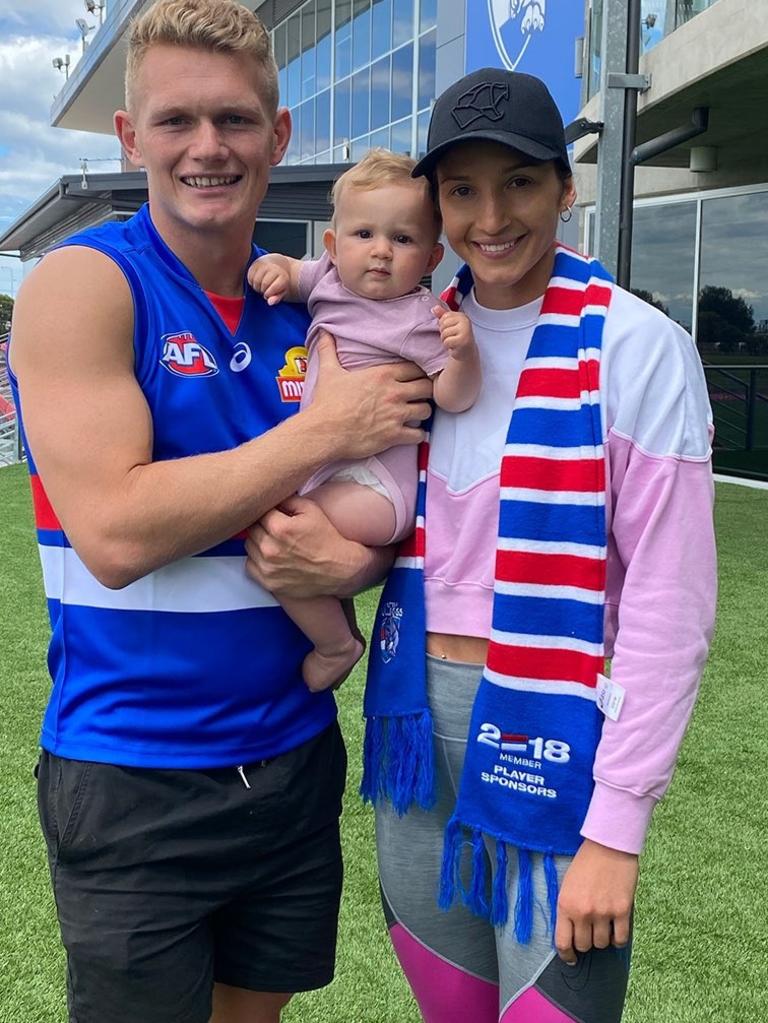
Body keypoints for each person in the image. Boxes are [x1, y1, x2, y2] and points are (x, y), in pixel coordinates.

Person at [7, 2, 433, 1022]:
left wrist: (351, 571)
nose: (209, 148)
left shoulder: (319, 309)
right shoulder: (85, 284)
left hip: (292, 755)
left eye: (236, 120)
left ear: (277, 137)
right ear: (129, 137)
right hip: (134, 768)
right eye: (176, 121)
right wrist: (322, 432)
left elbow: (388, 520)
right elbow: (113, 533)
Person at [358, 68, 716, 1023]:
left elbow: (669, 607)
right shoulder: (410, 338)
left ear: (567, 186)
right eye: (462, 189)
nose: (491, 216)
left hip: (557, 739)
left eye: (519, 181)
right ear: (435, 207)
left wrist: (618, 831)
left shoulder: (637, 347)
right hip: (415, 732)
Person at [248, 150, 480, 691]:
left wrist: (463, 356)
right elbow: (295, 273)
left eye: (402, 240)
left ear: (430, 258)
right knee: (284, 533)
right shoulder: (328, 279)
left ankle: (336, 645)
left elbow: (456, 396)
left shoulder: (423, 317)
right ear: (333, 245)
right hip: (334, 469)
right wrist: (275, 268)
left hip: (376, 485)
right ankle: (339, 626)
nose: (380, 252)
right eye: (363, 235)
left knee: (276, 534)